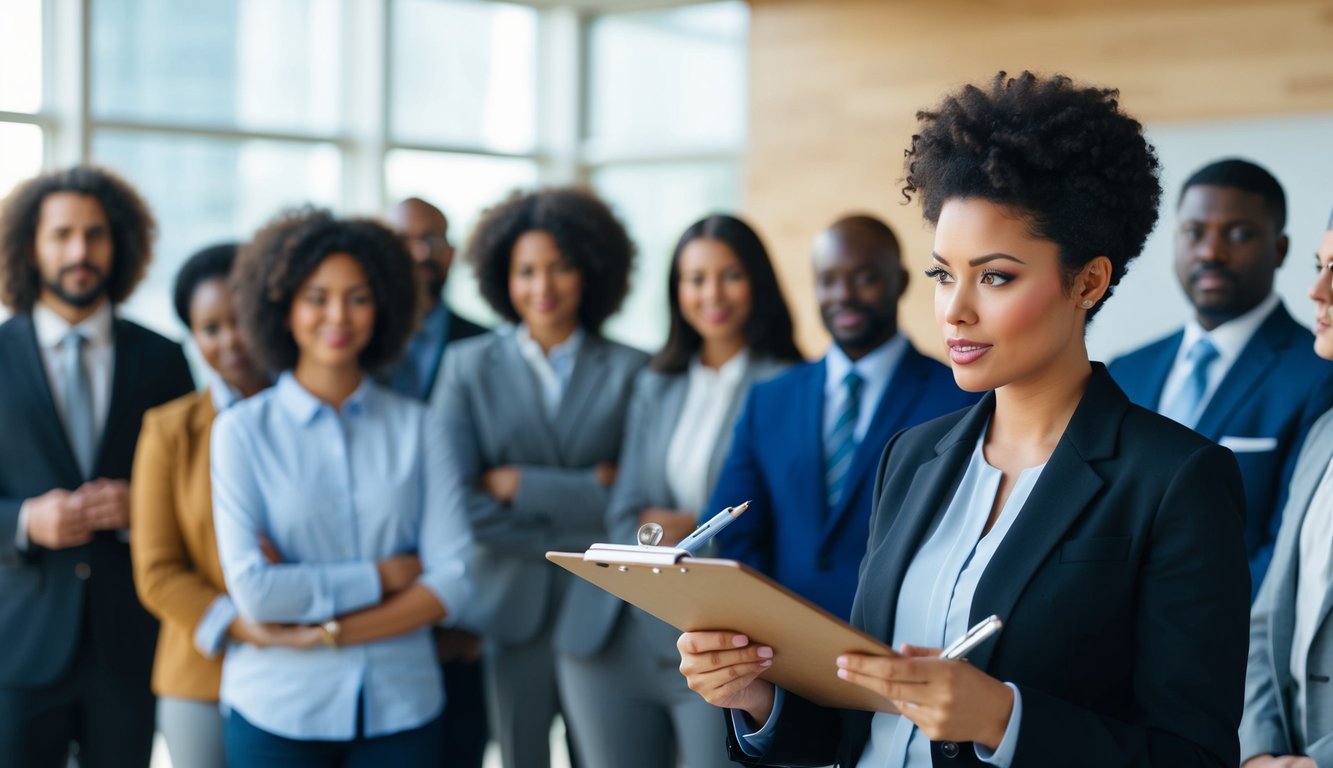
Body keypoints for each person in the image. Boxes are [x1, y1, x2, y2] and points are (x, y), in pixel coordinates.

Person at [677, 71, 1251, 768]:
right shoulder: (912, 457)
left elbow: (1193, 755)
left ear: (1088, 281)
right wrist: (757, 698)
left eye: (996, 276)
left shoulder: (1174, 479)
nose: (953, 309)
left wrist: (1004, 720)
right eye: (943, 274)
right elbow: (864, 714)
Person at [211, 208, 474, 766]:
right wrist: (388, 575)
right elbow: (255, 593)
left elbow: (454, 582)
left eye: (357, 297)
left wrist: (325, 630)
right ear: (282, 307)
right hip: (277, 710)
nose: (339, 315)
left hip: (402, 706)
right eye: (317, 297)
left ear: (383, 306)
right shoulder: (240, 432)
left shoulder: (420, 427)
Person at [554, 214, 803, 768]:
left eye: (729, 275)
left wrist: (681, 525)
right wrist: (670, 530)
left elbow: (773, 520)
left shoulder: (792, 384)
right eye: (694, 279)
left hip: (719, 642)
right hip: (613, 638)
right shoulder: (655, 382)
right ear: (676, 291)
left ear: (757, 282)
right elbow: (624, 509)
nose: (711, 294)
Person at [434, 187, 648, 768]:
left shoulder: (635, 370)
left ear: (592, 272)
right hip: (507, 612)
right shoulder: (466, 367)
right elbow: (460, 508)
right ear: (502, 276)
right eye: (526, 270)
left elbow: (632, 504)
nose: (543, 286)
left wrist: (519, 485)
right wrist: (590, 492)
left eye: (561, 267)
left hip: (605, 608)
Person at [0, 165, 195, 767]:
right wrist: (26, 522)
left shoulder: (163, 358)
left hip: (131, 642)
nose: (79, 251)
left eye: (95, 234)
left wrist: (144, 509)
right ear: (32, 247)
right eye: (62, 235)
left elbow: (194, 493)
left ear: (121, 244)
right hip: (19, 645)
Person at [709, 214, 979, 620]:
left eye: (864, 278)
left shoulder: (961, 398)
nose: (843, 295)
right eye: (828, 280)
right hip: (780, 648)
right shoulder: (769, 400)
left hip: (898, 642)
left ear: (901, 282)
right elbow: (731, 531)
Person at [1109, 159, 1333, 596]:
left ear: (1281, 249)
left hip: (1231, 647)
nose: (1211, 252)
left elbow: (1287, 552)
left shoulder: (1319, 372)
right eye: (1194, 232)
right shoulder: (1125, 371)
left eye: (1239, 233)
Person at [129, 243, 309, 768]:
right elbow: (158, 570)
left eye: (241, 320)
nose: (230, 340)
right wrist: (243, 625)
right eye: (211, 328)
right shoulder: (169, 431)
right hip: (202, 668)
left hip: (310, 663)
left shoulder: (314, 419)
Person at [385, 196, 490, 768]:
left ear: (452, 253)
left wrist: (473, 620)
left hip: (463, 628)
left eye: (434, 240)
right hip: (373, 611)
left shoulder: (486, 347)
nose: (421, 253)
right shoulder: (354, 349)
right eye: (406, 239)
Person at [1240, 210, 1333, 767]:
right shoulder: (1323, 432)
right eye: (1320, 267)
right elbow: (1267, 616)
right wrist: (1260, 751)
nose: (1315, 291)